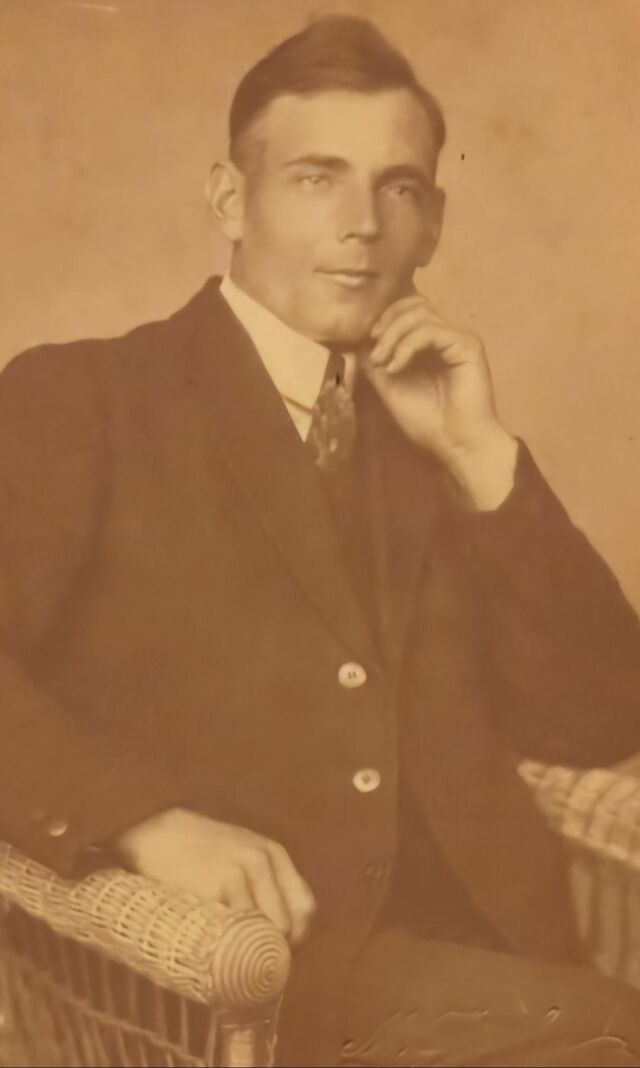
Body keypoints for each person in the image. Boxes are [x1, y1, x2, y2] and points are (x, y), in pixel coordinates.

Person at [2, 14, 640, 1066]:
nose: (362, 225)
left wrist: (482, 457)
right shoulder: (84, 398)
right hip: (250, 983)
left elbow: (601, 715)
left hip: (498, 957)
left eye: (399, 188)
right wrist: (143, 820)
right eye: (316, 179)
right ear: (229, 200)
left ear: (432, 225)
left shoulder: (427, 426)